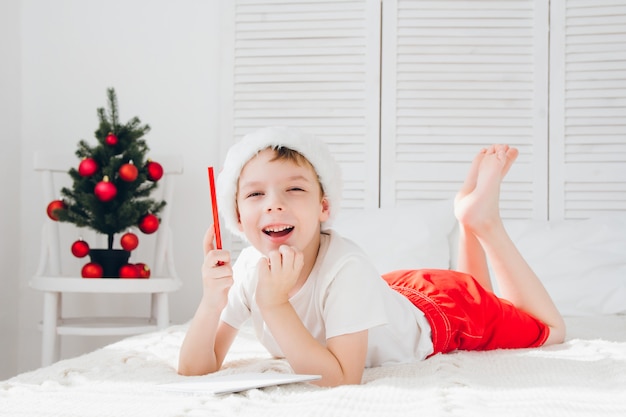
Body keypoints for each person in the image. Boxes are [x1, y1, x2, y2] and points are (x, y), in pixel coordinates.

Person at [178, 127, 566, 387]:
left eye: (294, 189)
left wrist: (274, 303)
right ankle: (466, 219)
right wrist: (212, 301)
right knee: (480, 289)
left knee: (548, 331)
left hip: (441, 312)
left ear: (323, 208)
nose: (274, 205)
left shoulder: (346, 266)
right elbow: (196, 367)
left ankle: (484, 222)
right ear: (237, 218)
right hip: (391, 293)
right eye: (255, 194)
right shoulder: (248, 267)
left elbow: (342, 377)